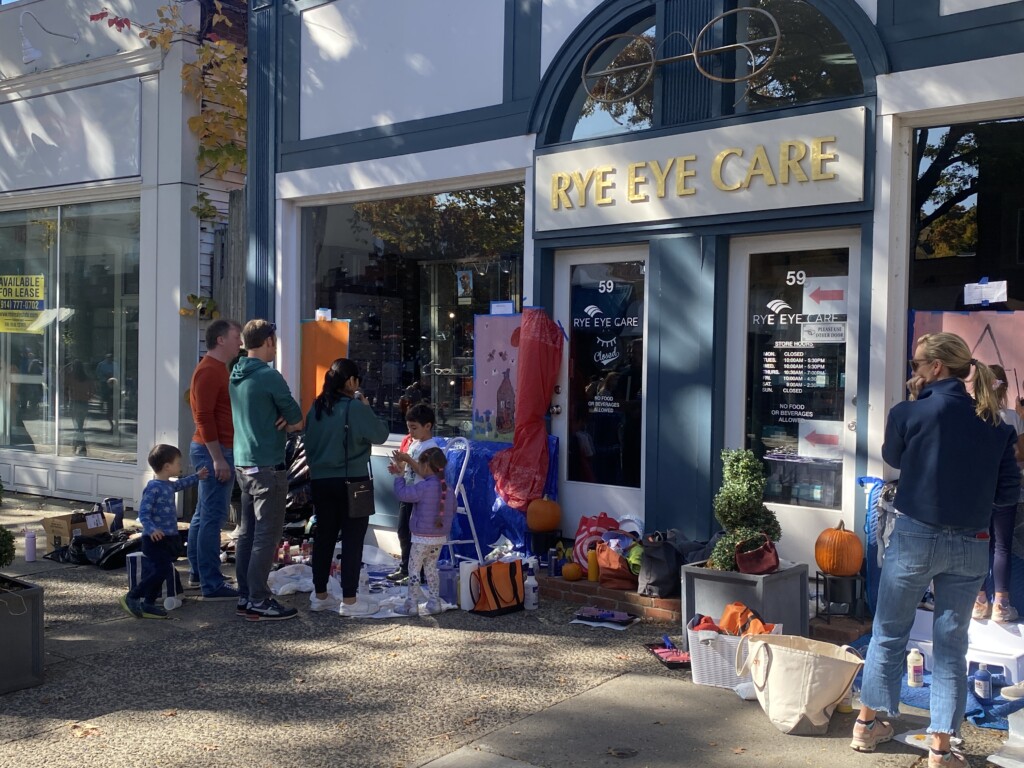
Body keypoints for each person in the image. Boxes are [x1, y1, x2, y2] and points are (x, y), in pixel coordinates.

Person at [851, 333, 1019, 767]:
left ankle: (867, 726)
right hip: (971, 540)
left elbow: (894, 457)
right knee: (950, 647)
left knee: (888, 633)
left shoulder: (910, 411)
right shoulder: (997, 423)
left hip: (915, 534)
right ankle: (941, 749)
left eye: (917, 364)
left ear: (936, 367)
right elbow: (1007, 491)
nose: (914, 371)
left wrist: (914, 404)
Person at [230, 319, 305, 622]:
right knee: (266, 536)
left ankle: (246, 595)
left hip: (243, 462)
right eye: (275, 341)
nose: (277, 346)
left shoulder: (235, 372)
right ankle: (259, 599)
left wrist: (280, 417)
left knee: (247, 534)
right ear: (269, 342)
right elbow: (298, 419)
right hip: (267, 466)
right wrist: (285, 420)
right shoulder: (269, 376)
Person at [304, 358, 390, 616]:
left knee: (324, 538)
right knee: (353, 541)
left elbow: (308, 443)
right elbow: (381, 435)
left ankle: (320, 595)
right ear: (351, 381)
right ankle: (350, 601)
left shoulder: (316, 407)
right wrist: (367, 407)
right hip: (352, 481)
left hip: (320, 480)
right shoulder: (355, 408)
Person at [187, 319, 243, 601]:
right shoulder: (209, 370)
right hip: (214, 450)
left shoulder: (217, 368)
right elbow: (203, 417)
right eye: (236, 337)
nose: (240, 342)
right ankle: (211, 582)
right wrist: (218, 458)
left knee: (203, 515)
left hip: (215, 449)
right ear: (220, 339)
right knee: (212, 517)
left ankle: (199, 573)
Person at [119, 444, 207, 619]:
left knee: (162, 571)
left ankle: (148, 603)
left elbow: (181, 484)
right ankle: (133, 596)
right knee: (160, 570)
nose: (180, 466)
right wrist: (152, 529)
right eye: (178, 463)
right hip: (153, 540)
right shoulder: (154, 488)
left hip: (167, 538)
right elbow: (143, 513)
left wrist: (198, 476)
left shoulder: (167, 484)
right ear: (167, 466)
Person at [973, 363, 1024, 623]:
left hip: (978, 491)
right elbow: (1021, 455)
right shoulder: (1012, 418)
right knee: (1002, 546)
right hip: (1005, 490)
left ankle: (979, 600)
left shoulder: (972, 415)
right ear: (1003, 388)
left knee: (982, 545)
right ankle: (1001, 605)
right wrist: (1021, 415)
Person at [388, 447, 455, 615]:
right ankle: (434, 602)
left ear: (425, 467)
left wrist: (399, 476)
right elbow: (452, 509)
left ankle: (411, 604)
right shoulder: (449, 490)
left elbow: (403, 494)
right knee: (431, 569)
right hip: (439, 538)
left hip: (420, 538)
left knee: (414, 570)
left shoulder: (423, 487)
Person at [386, 403, 438, 586]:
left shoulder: (432, 447)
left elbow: (427, 473)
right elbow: (410, 469)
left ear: (428, 426)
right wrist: (398, 467)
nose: (411, 432)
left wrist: (408, 459)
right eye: (408, 428)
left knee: (415, 535)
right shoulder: (415, 443)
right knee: (402, 531)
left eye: (414, 428)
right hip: (409, 492)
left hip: (421, 497)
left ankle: (417, 571)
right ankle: (405, 567)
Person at [64, 359, 93, 455]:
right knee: (80, 426)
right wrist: (87, 397)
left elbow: (63, 383)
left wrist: (67, 366)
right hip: (84, 403)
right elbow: (93, 391)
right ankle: (79, 446)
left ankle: (78, 445)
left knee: (77, 427)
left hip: (74, 402)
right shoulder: (87, 377)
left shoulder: (71, 376)